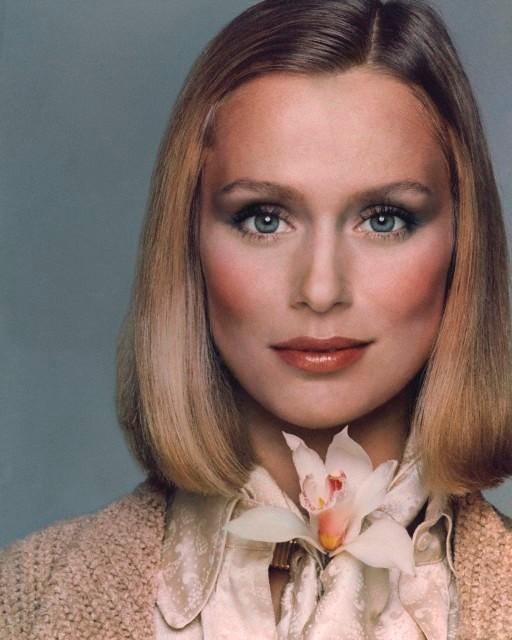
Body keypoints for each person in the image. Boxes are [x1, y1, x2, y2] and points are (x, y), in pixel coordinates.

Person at [1, 0, 511, 638]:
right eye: (265, 219)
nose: (320, 289)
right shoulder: (23, 600)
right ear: (189, 240)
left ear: (463, 243)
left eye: (383, 219)